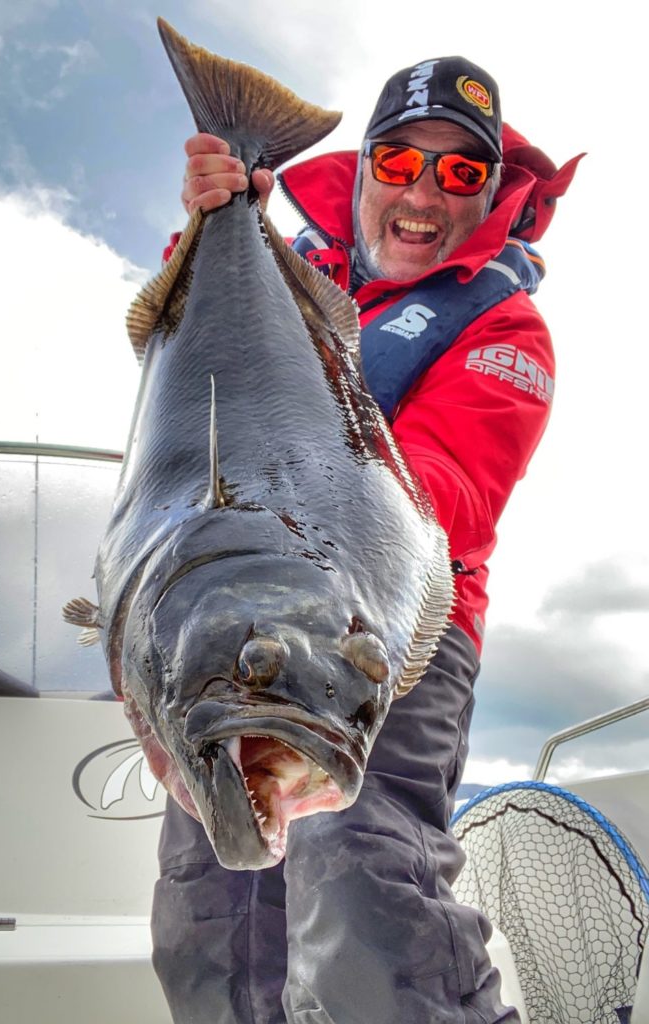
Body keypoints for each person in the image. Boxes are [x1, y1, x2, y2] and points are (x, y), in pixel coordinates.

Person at [152, 57, 582, 1024]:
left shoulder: (505, 327)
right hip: (232, 629)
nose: (424, 191)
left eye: (460, 173)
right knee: (206, 906)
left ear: (488, 195)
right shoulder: (284, 273)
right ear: (360, 173)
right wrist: (215, 217)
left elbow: (451, 496)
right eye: (399, 160)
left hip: (384, 639)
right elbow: (193, 357)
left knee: (360, 883)